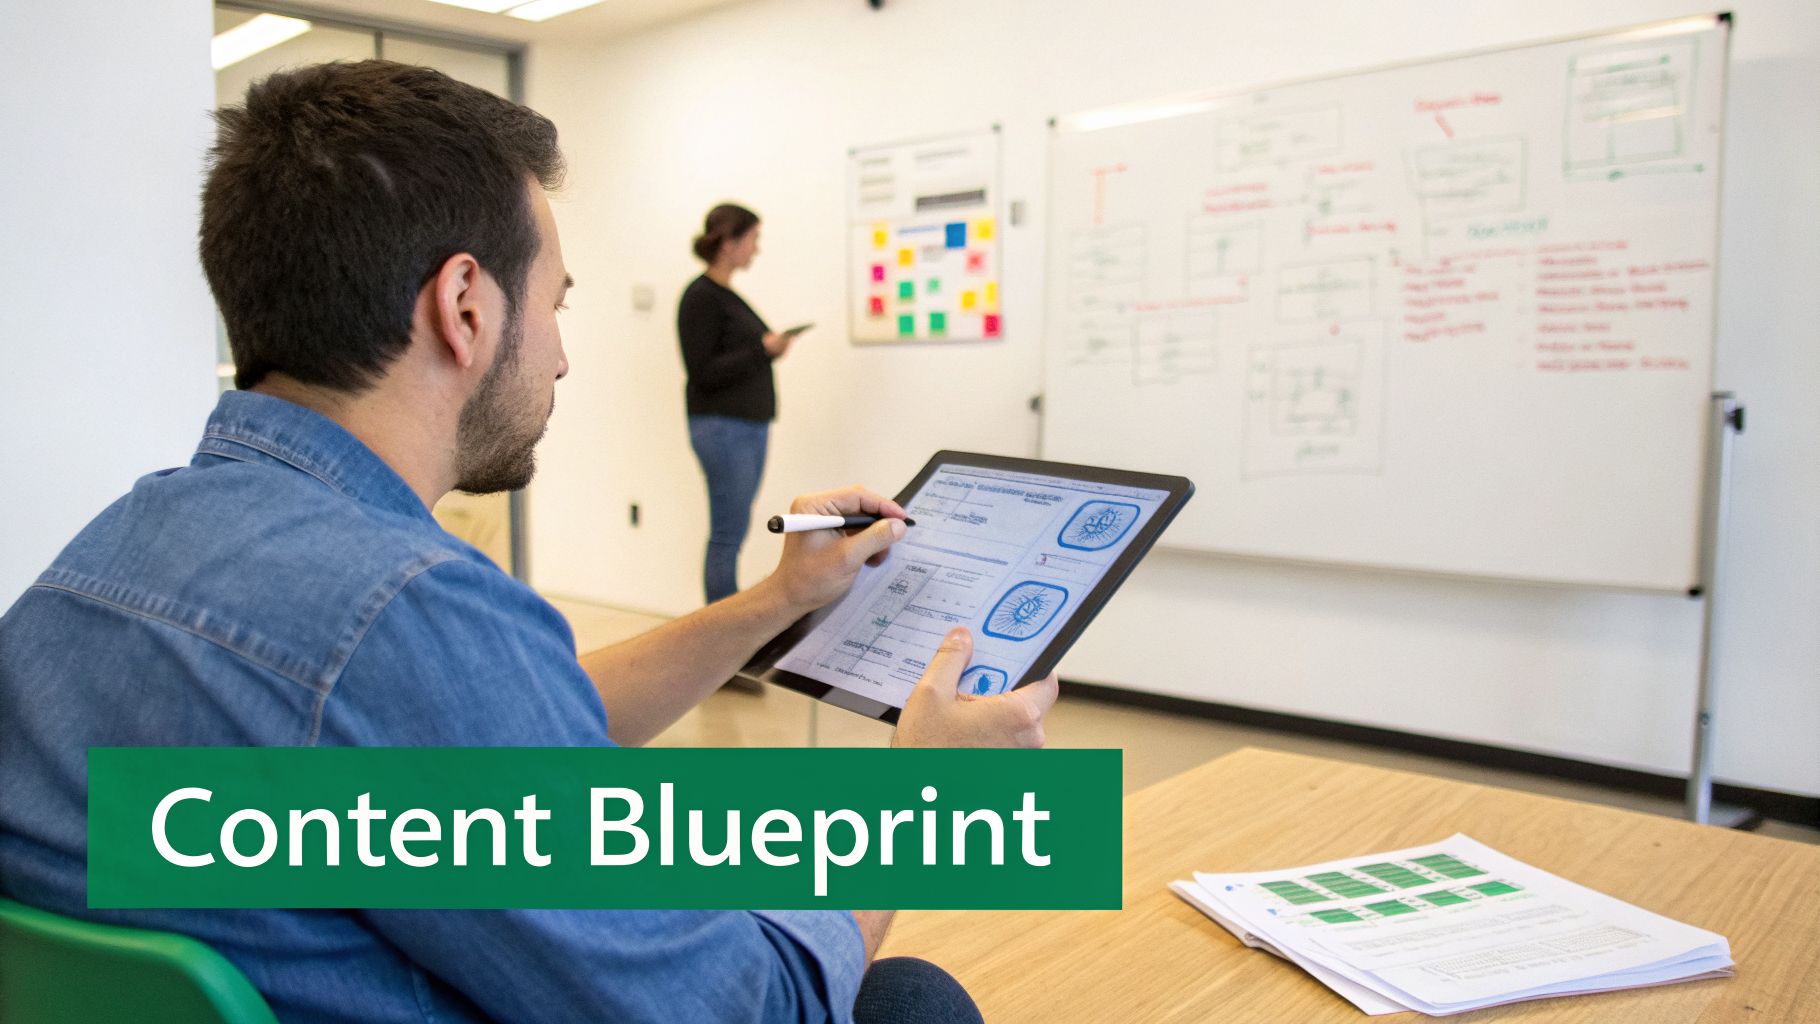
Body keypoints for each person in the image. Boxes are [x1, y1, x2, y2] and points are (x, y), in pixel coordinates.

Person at [0, 61, 1057, 1024]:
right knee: (900, 995)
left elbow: (482, 742)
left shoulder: (96, 560)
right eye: (556, 303)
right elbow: (749, 1009)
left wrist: (770, 602)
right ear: (463, 306)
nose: (558, 355)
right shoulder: (402, 606)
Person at [678, 203, 799, 606]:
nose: (756, 249)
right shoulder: (701, 297)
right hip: (724, 429)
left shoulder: (725, 295)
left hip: (744, 427)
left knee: (733, 530)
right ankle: (721, 628)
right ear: (730, 242)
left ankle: (723, 622)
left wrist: (766, 351)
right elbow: (702, 370)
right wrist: (762, 349)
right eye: (752, 240)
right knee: (727, 534)